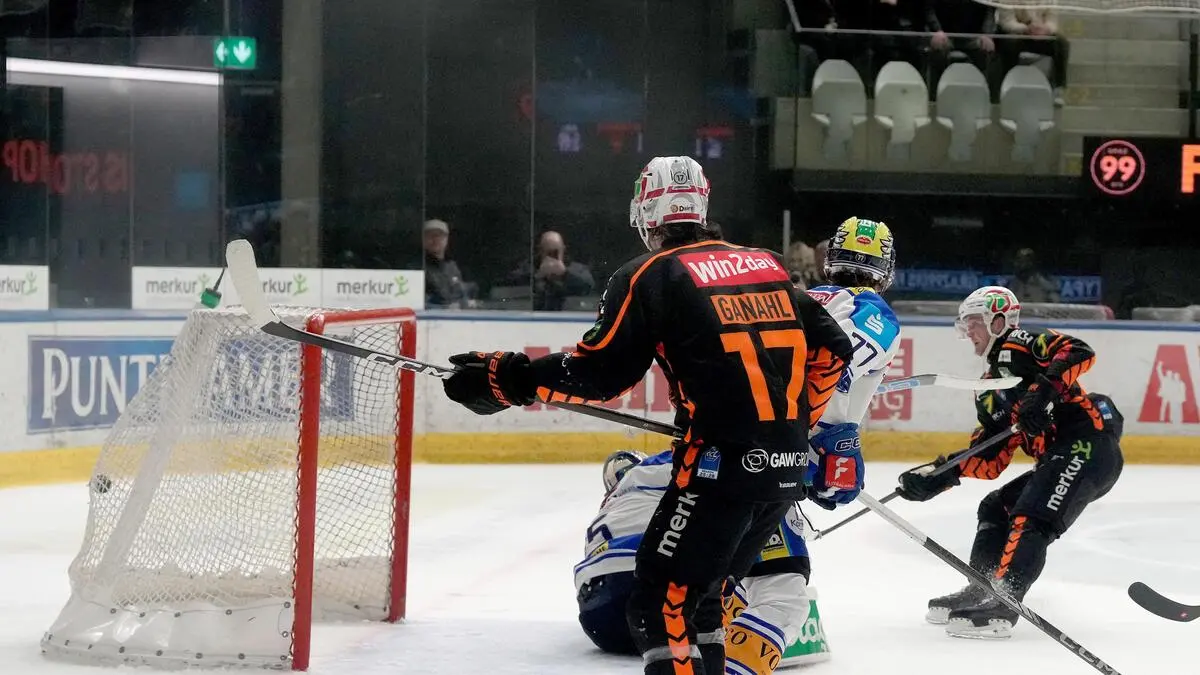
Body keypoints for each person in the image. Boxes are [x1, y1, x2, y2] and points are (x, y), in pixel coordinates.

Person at [441, 156, 856, 675]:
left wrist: (508, 378)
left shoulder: (650, 274)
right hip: (784, 472)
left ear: (645, 210)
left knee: (661, 608)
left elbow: (600, 374)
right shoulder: (767, 264)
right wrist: (793, 425)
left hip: (719, 471)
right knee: (703, 603)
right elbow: (834, 349)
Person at [895, 286, 1124, 639]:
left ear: (998, 320)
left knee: (1030, 514)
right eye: (965, 323)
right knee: (995, 508)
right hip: (1057, 458)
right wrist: (939, 474)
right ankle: (982, 588)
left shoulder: (1020, 344)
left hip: (1087, 449)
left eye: (974, 321)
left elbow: (1078, 350)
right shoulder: (989, 388)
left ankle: (1004, 601)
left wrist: (1042, 394)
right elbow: (991, 457)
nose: (968, 330)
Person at [575, 450, 831, 674]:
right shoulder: (665, 462)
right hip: (668, 581)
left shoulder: (611, 505)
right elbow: (750, 472)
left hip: (601, 617)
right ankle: (760, 628)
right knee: (743, 575)